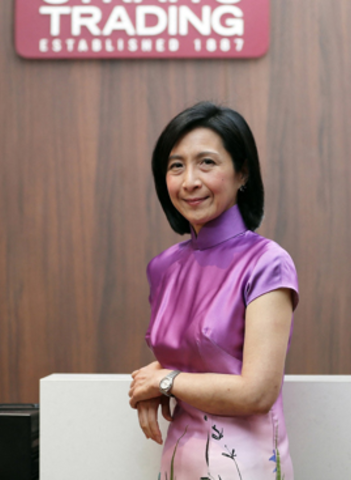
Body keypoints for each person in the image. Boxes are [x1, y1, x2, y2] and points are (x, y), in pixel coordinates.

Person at [129, 102, 299, 479]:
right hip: (177, 461)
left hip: (246, 466)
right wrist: (153, 382)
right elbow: (194, 357)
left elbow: (258, 392)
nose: (189, 180)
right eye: (176, 166)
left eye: (206, 162)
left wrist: (165, 381)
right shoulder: (163, 267)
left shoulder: (268, 262)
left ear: (242, 173)